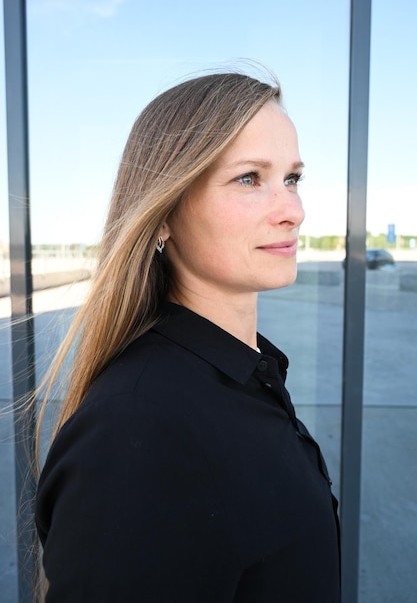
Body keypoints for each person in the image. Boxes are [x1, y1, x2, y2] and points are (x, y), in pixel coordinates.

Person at [35, 70, 340, 602]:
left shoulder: (247, 375)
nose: (293, 211)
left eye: (292, 178)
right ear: (163, 215)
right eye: (250, 178)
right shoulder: (137, 428)